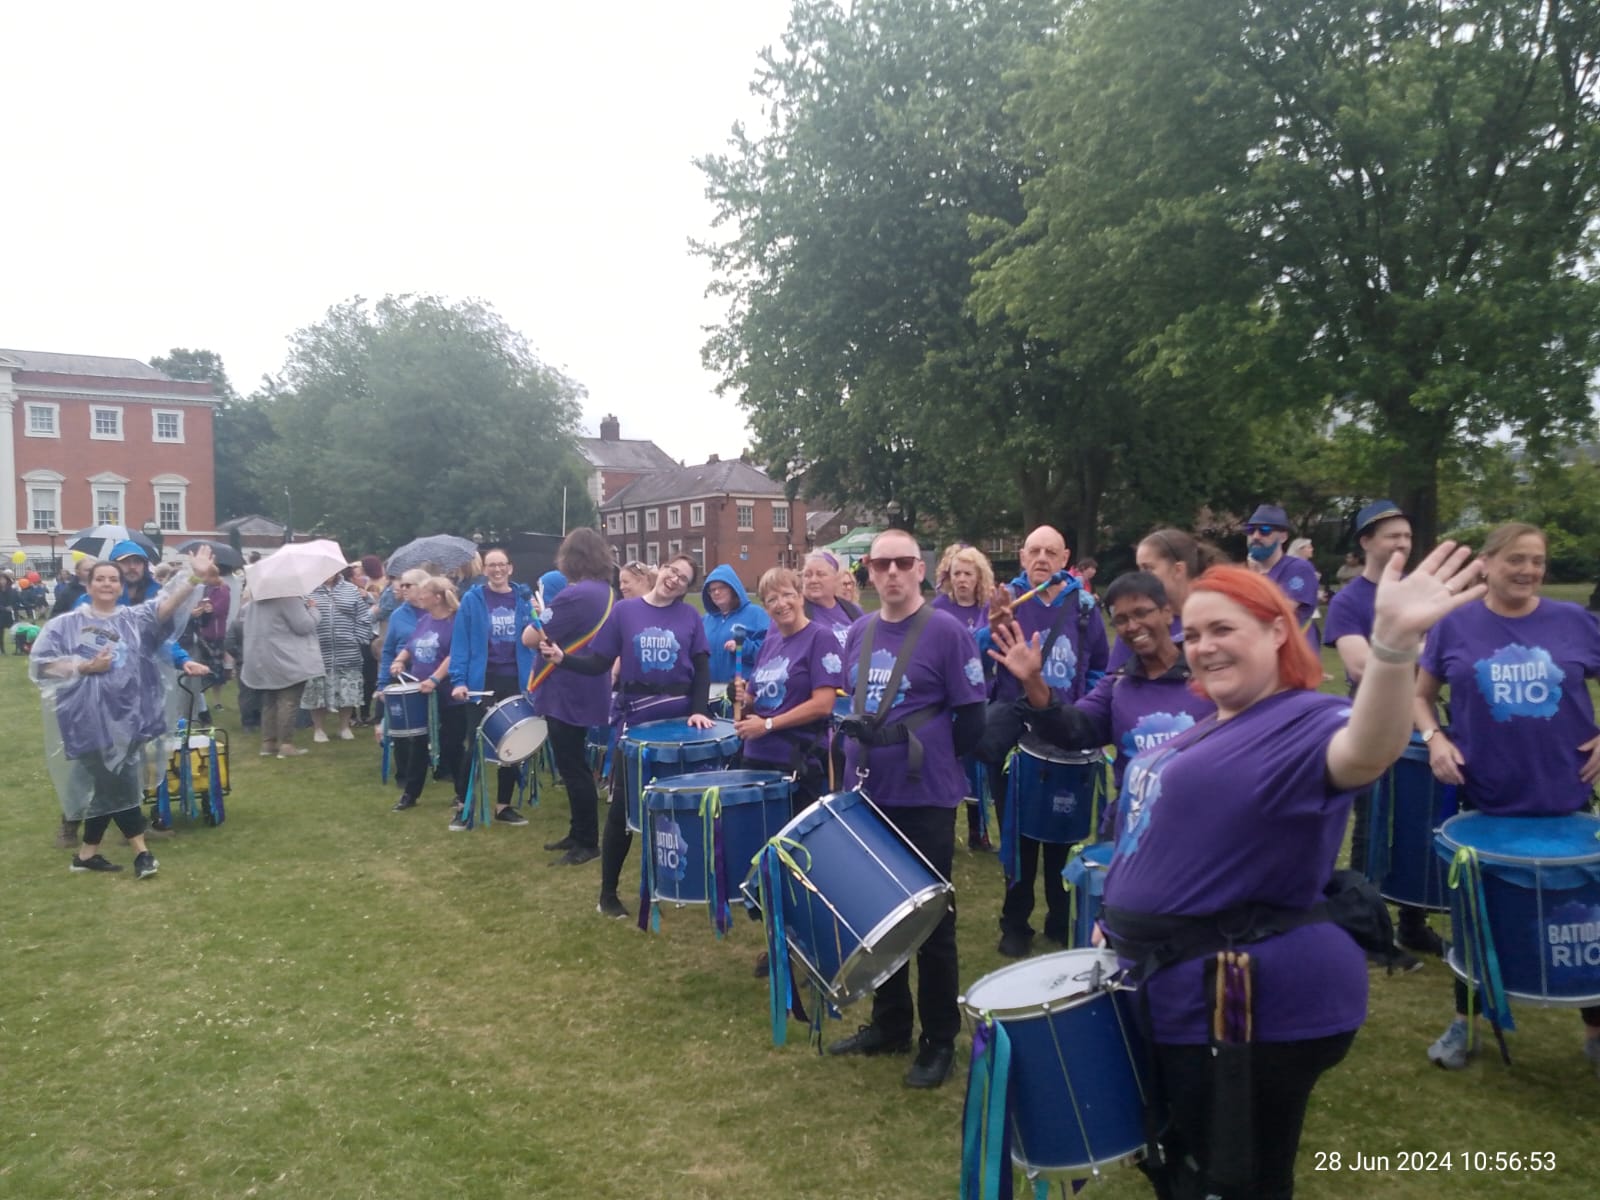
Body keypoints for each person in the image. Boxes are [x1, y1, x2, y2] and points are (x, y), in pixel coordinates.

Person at [1100, 551, 1483, 1199]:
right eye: (1193, 634)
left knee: (1237, 1180)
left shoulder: (1306, 721)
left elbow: (1368, 748)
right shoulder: (1210, 725)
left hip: (1244, 1002)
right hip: (1168, 988)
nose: (1204, 647)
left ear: (1278, 629)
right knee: (1183, 1162)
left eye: (1224, 629)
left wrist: (1392, 650)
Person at [1412, 522, 1600, 1074]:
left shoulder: (1574, 622)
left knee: (1585, 916)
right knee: (1475, 916)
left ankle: (1596, 1029)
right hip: (1483, 799)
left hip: (1565, 794)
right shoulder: (1454, 624)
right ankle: (1464, 1022)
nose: (1528, 570)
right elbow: (1421, 696)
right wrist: (1435, 737)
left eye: (1537, 561)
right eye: (1516, 559)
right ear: (1487, 564)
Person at [827, 529, 988, 1088]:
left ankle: (939, 1038)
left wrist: (934, 756)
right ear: (868, 572)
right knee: (878, 916)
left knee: (932, 922)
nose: (891, 573)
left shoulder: (946, 632)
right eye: (881, 564)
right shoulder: (859, 631)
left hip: (924, 798)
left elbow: (973, 721)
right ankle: (890, 1024)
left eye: (902, 563)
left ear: (920, 569)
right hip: (868, 795)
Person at [541, 553, 713, 920]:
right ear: (660, 570)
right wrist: (562, 659)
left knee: (680, 805)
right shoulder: (624, 612)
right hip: (637, 723)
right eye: (672, 570)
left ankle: (682, 884)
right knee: (623, 809)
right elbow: (599, 663)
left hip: (679, 723)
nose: (675, 579)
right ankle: (608, 895)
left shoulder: (690, 617)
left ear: (686, 587)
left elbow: (701, 668)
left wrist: (699, 710)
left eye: (683, 578)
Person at [29, 546, 215, 879]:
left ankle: (86, 856)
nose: (107, 584)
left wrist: (193, 577)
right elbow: (42, 666)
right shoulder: (65, 625)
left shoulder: (134, 619)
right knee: (120, 783)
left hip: (130, 716)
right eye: (100, 579)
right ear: (88, 585)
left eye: (112, 579)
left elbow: (167, 605)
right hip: (86, 719)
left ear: (121, 586)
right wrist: (85, 666)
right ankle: (142, 853)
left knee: (110, 785)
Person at [976, 525, 1109, 958]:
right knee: (1017, 834)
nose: (1041, 559)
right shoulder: (1007, 600)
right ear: (1022, 555)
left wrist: (1085, 709)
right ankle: (1016, 922)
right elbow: (974, 656)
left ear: (1065, 557)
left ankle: (1059, 913)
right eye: (1034, 550)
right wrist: (992, 627)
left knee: (1061, 831)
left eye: (1050, 552)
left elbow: (1100, 667)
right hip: (1015, 734)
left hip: (1064, 730)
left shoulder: (1083, 605)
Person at [1323, 501, 1440, 969]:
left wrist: (1403, 652)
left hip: (1421, 724)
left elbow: (1447, 657)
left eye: (1407, 536)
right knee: (1372, 829)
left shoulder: (1419, 593)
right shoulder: (1350, 600)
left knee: (1419, 823)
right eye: (1392, 536)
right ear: (1366, 542)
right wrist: (1414, 651)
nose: (1402, 544)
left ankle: (1413, 923)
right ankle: (1370, 932)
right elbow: (1357, 664)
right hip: (1369, 726)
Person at [987, 571, 1215, 795]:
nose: (1132, 626)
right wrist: (1033, 680)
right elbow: (1070, 729)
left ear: (1167, 613)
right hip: (1135, 817)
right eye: (1121, 620)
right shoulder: (1117, 688)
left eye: (1141, 613)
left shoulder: (1210, 678)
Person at [532, 528, 617, 865]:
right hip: (588, 685)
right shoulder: (606, 591)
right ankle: (577, 831)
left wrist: (539, 615)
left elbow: (531, 636)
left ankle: (587, 840)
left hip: (565, 688)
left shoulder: (573, 595)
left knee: (573, 768)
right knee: (575, 765)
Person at [731, 567, 844, 814]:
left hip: (797, 764)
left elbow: (823, 704)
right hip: (756, 759)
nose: (781, 604)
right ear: (766, 608)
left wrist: (768, 725)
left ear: (801, 597)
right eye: (772, 599)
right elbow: (754, 700)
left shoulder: (821, 638)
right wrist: (741, 698)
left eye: (787, 594)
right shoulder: (769, 645)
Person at [448, 546, 538, 830]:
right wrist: (459, 680)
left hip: (515, 681)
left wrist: (541, 618)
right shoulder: (473, 600)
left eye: (502, 564)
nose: (497, 570)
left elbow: (537, 638)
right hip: (482, 683)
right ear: (484, 569)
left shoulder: (523, 599)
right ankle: (464, 807)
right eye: (491, 565)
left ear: (510, 567)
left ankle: (503, 806)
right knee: (474, 745)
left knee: (512, 744)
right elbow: (460, 643)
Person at [932, 543, 997, 850]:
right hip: (946, 698)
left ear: (978, 577)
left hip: (980, 694)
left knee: (976, 765)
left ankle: (977, 831)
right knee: (946, 760)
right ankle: (942, 825)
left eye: (968, 574)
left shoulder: (988, 609)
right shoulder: (939, 609)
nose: (961, 580)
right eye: (957, 573)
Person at [389, 577, 467, 813]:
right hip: (420, 692)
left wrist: (435, 679)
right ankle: (410, 794)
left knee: (452, 744)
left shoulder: (455, 621)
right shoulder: (424, 620)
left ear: (438, 597)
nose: (419, 597)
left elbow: (455, 654)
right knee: (418, 743)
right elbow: (410, 646)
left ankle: (463, 794)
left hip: (448, 694)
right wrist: (399, 660)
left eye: (424, 593)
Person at [240, 582, 323, 760]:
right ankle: (286, 744)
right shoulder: (288, 598)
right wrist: (313, 610)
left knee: (269, 701)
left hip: (261, 658)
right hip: (285, 658)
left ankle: (268, 743)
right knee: (288, 701)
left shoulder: (254, 602)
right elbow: (304, 625)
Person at [302, 569, 373, 743]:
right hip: (317, 651)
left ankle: (344, 727)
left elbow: (363, 617)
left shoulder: (351, 590)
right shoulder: (307, 591)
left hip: (348, 650)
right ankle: (319, 729)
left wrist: (358, 639)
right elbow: (301, 619)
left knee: (347, 690)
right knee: (317, 690)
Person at [1242, 504, 1322, 652]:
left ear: (1283, 537)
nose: (1256, 536)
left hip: (1294, 656)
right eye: (1250, 530)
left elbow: (1278, 610)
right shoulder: (1247, 574)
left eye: (1265, 530)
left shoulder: (1298, 568)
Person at [701, 563, 771, 695]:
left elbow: (770, 652)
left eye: (721, 587)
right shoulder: (705, 621)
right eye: (712, 590)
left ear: (733, 588)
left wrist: (743, 647)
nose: (716, 592)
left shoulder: (755, 614)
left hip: (743, 693)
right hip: (712, 694)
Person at [801, 551, 862, 648]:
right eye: (807, 575)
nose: (813, 580)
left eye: (820, 574)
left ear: (836, 578)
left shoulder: (853, 611)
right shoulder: (796, 613)